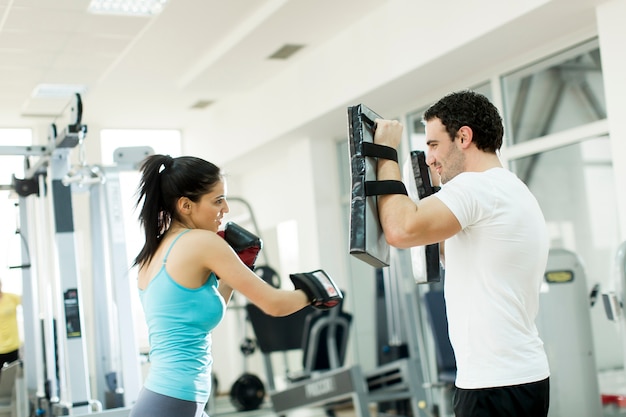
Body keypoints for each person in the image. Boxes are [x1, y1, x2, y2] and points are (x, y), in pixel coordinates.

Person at [373, 90, 550, 417]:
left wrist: (384, 153)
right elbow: (450, 251)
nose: (429, 158)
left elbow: (401, 230)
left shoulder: (477, 188)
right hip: (513, 379)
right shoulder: (508, 189)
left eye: (434, 144)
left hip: (495, 386)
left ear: (464, 137)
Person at [129, 154, 339, 417]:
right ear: (185, 205)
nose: (225, 209)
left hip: (166, 398)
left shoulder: (153, 252)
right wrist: (314, 292)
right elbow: (274, 304)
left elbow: (197, 316)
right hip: (176, 402)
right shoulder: (202, 242)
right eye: (217, 200)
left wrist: (233, 276)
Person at [0, 278, 21, 367]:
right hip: (0, 347)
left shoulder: (11, 298)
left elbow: (28, 303)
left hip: (13, 344)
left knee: (11, 375)